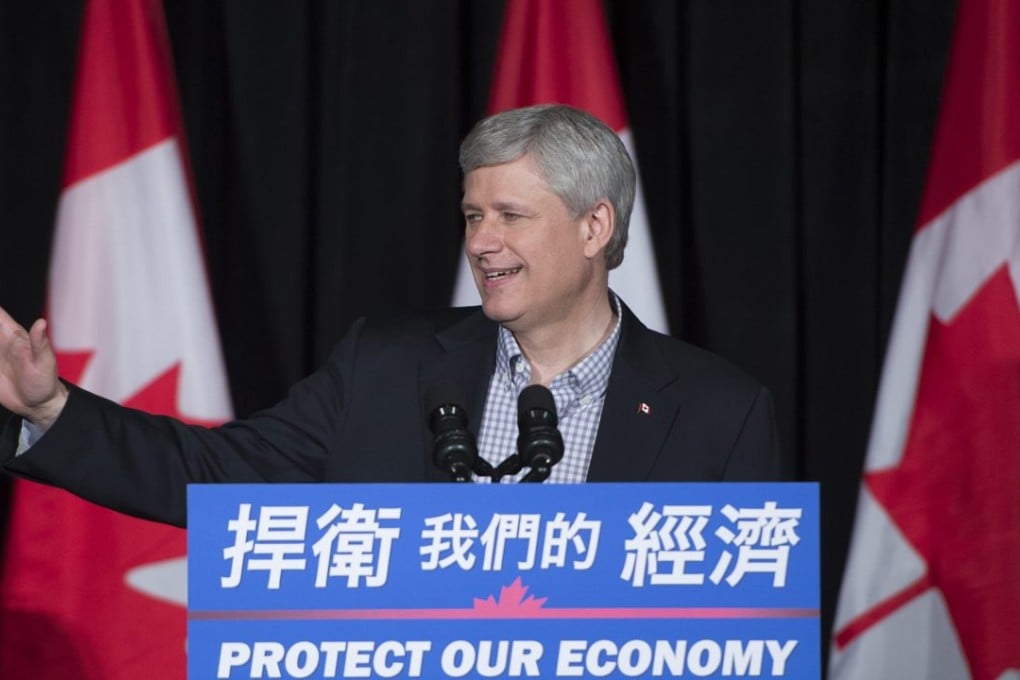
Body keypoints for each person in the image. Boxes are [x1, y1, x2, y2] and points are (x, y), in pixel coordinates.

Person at [0, 104, 781, 527]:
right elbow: (214, 477)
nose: (482, 242)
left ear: (594, 227)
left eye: (510, 215)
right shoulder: (387, 364)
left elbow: (740, 626)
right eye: (472, 216)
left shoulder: (719, 411)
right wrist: (50, 408)